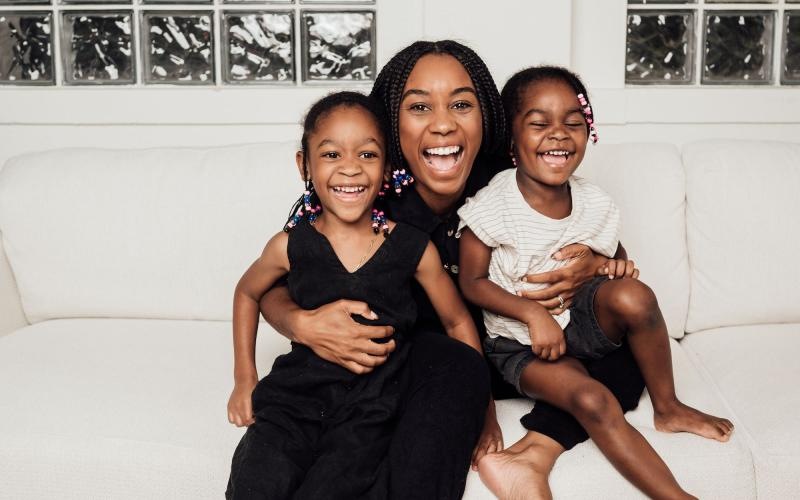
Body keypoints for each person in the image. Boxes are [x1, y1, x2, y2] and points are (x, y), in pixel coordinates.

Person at [257, 40, 647, 499]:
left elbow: (595, 231)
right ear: (388, 124)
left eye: (462, 104)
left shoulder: (511, 181)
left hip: (516, 343)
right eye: (419, 107)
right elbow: (272, 284)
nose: (443, 124)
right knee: (437, 369)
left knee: (627, 349)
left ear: (487, 118)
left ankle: (534, 453)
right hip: (419, 359)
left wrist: (595, 265)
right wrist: (301, 322)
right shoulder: (362, 193)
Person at [458, 65, 734, 500]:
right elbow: (471, 283)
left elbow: (613, 256)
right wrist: (532, 313)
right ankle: (677, 497)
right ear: (510, 138)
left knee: (635, 295)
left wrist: (613, 265)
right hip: (520, 344)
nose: (559, 134)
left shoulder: (594, 201)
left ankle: (669, 406)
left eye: (573, 122)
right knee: (593, 401)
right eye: (539, 123)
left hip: (580, 324)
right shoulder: (493, 205)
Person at [225, 91, 491, 499]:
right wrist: (245, 378)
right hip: (293, 400)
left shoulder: (413, 248)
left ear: (386, 170)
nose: (350, 169)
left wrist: (482, 412)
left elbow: (457, 322)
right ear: (305, 166)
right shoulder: (289, 245)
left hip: (370, 411)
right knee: (256, 485)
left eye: (367, 155)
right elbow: (247, 292)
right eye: (332, 155)